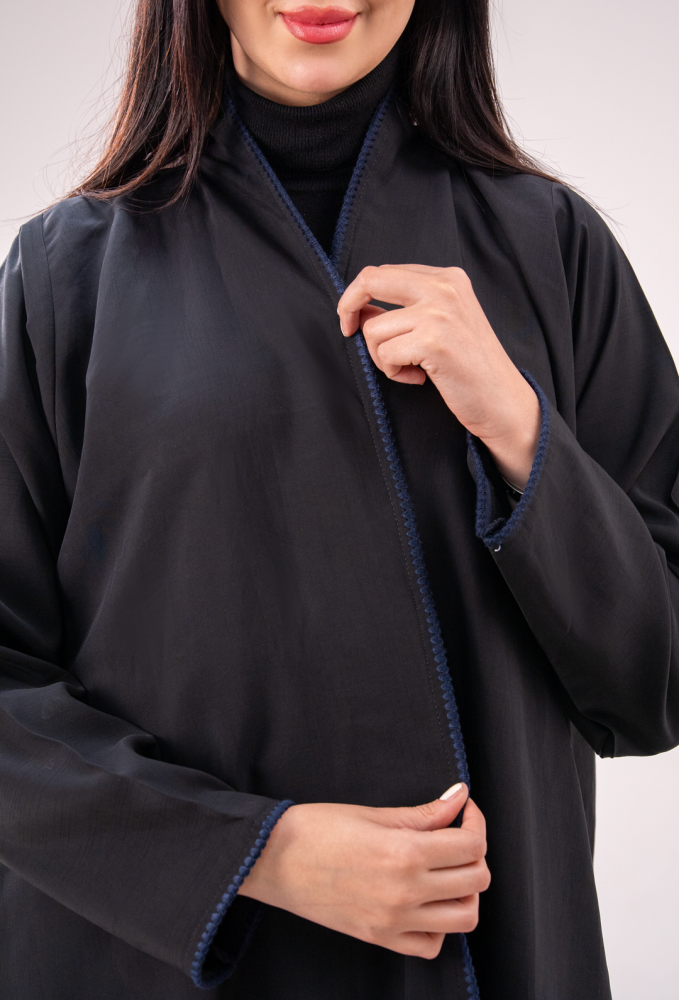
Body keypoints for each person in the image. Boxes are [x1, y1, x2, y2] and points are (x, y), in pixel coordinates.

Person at [1, 0, 678, 995]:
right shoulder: (67, 273)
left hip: (488, 951)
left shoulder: (554, 247)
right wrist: (256, 853)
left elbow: (655, 681)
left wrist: (520, 429)